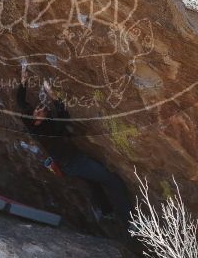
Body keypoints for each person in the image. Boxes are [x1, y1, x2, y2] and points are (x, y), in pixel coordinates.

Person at [16, 64, 133, 230]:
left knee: (93, 183)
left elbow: (26, 103)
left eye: (42, 107)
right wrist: (53, 97)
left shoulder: (47, 124)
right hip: (75, 163)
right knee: (112, 180)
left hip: (69, 164)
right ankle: (131, 221)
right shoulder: (40, 129)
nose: (41, 107)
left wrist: (24, 80)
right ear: (35, 118)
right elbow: (28, 106)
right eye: (39, 109)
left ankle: (106, 212)